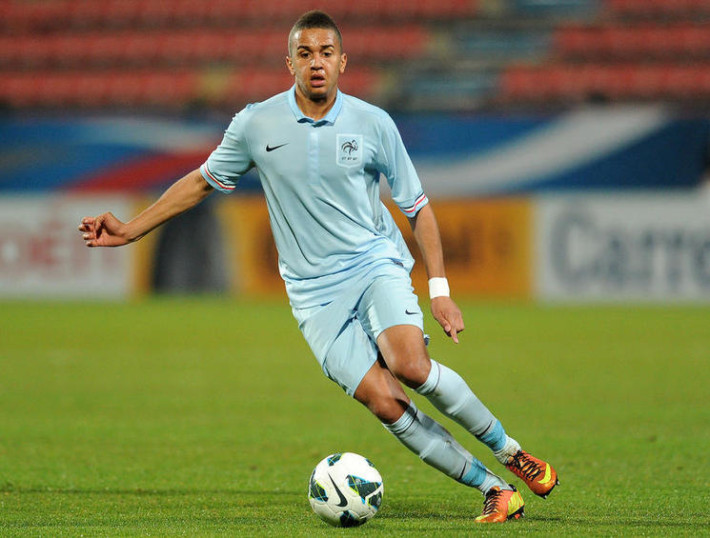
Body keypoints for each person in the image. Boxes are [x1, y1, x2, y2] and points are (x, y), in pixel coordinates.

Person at [79, 10, 558, 523]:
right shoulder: (256, 124)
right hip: (312, 294)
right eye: (305, 53)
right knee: (384, 402)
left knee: (410, 365)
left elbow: (418, 208)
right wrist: (131, 229)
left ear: (342, 62)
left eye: (326, 53)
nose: (316, 63)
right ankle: (494, 489)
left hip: (373, 263)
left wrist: (440, 290)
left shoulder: (373, 123)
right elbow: (201, 181)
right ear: (289, 62)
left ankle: (511, 453)